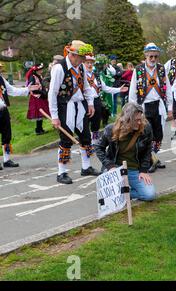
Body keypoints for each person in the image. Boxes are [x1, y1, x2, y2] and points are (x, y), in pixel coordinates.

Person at [48, 40, 101, 184]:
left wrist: (90, 103)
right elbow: (52, 93)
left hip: (80, 106)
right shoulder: (60, 68)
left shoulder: (81, 67)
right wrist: (54, 116)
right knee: (66, 139)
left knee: (85, 137)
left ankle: (86, 167)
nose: (84, 60)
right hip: (65, 106)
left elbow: (86, 87)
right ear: (73, 55)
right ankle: (62, 173)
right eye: (81, 57)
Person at [95, 102, 156, 202]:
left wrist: (143, 170)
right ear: (127, 120)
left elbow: (148, 150)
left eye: (140, 119)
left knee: (150, 195)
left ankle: (122, 193)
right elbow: (98, 147)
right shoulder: (111, 129)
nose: (140, 122)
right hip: (115, 169)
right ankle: (117, 193)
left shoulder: (146, 128)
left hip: (134, 170)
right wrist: (110, 166)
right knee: (108, 195)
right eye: (136, 120)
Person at [129, 42, 170, 173]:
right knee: (146, 134)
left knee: (158, 134)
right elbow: (132, 90)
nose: (153, 59)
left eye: (155, 57)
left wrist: (170, 107)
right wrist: (134, 110)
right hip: (144, 106)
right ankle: (149, 160)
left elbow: (168, 89)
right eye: (151, 56)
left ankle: (154, 157)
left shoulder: (162, 69)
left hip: (158, 105)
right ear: (146, 55)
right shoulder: (138, 70)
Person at [0, 63, 40, 170]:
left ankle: (7, 160)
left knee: (6, 136)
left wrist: (28, 89)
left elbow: (12, 91)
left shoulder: (1, 79)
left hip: (3, 110)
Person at [84, 54, 128, 144]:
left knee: (95, 125)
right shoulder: (81, 76)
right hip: (84, 102)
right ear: (83, 64)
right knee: (84, 125)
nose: (89, 65)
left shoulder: (96, 75)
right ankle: (85, 144)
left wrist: (119, 89)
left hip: (96, 101)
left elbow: (106, 88)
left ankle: (94, 143)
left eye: (91, 63)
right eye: (87, 63)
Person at [26, 63, 50, 135]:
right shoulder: (32, 77)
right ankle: (38, 130)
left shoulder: (39, 76)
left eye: (41, 69)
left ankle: (40, 129)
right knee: (39, 113)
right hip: (36, 97)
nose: (41, 71)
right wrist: (42, 92)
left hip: (41, 96)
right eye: (40, 70)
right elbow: (32, 89)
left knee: (41, 113)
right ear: (36, 71)